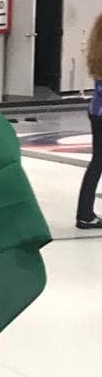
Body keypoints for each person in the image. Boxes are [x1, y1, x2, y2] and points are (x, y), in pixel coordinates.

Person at [76, 13, 102, 231]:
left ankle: (85, 212)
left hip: (96, 111)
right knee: (98, 162)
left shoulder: (97, 54)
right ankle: (84, 214)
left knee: (97, 163)